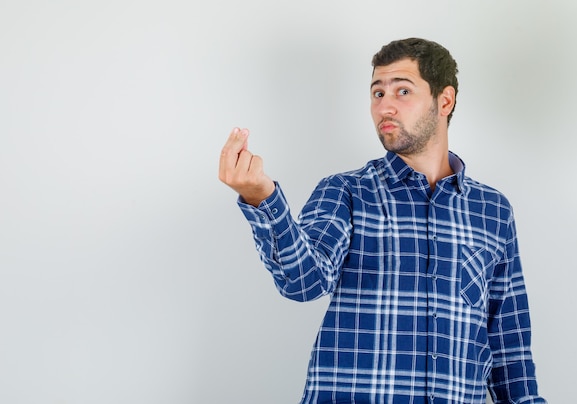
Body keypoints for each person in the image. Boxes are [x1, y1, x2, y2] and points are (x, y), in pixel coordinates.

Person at [219, 38, 546, 404]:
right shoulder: (346, 191)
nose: (385, 107)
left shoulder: (493, 211)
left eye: (402, 91)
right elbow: (303, 281)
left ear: (445, 100)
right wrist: (262, 198)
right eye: (377, 93)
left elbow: (510, 348)